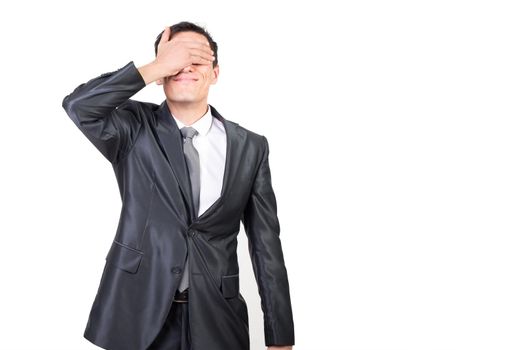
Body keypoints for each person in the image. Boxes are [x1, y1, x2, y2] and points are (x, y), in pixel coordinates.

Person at [62, 21, 295, 350]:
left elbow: (266, 245)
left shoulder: (251, 147)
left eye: (197, 60)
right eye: (176, 59)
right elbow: (78, 106)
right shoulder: (132, 129)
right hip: (137, 313)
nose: (185, 67)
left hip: (218, 316)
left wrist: (280, 335)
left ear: (215, 73)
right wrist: (153, 67)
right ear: (162, 74)